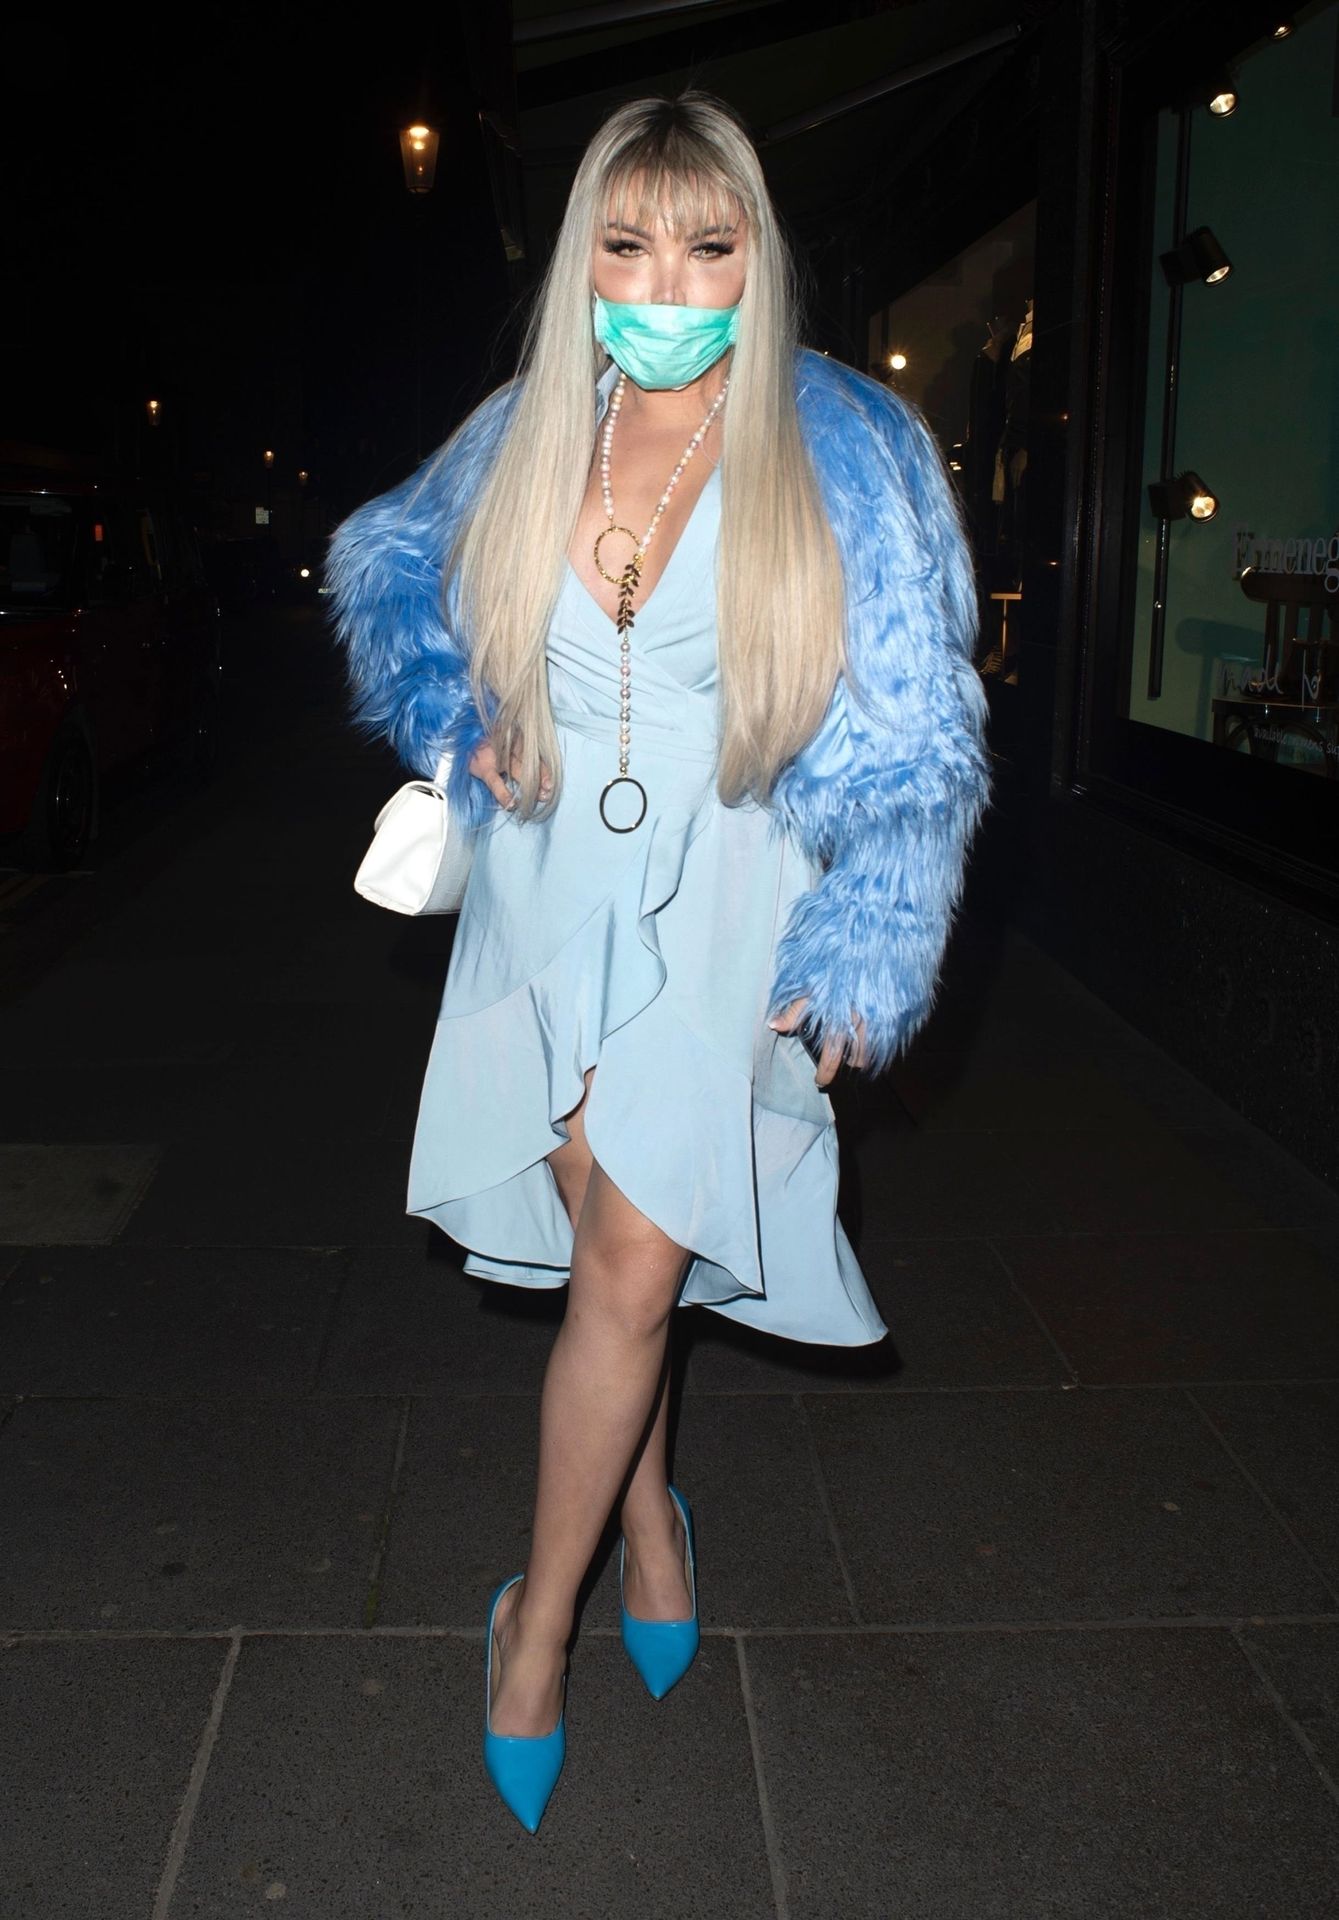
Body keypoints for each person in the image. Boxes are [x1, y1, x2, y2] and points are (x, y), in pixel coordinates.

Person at [326, 90, 992, 1835]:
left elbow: (922, 738)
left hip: (732, 901)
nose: (667, 284)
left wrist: (875, 932)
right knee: (608, 1257)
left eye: (707, 246)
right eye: (627, 245)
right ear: (584, 261)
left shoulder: (840, 443)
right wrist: (459, 720)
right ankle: (643, 1512)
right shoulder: (527, 427)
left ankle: (531, 1635)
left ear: (756, 256)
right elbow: (393, 578)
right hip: (547, 889)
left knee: (630, 1266)